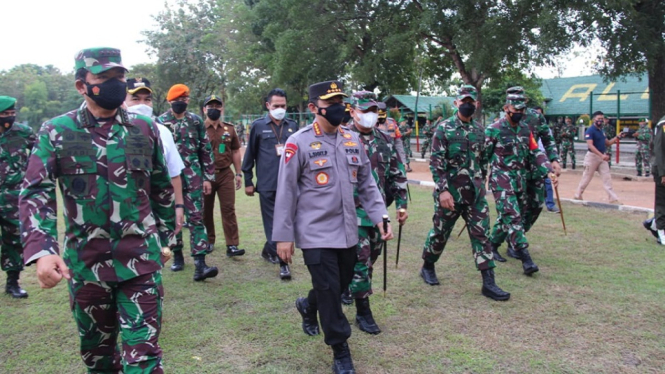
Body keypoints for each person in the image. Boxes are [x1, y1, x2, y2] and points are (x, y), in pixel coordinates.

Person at [20, 47, 174, 373]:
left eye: (119, 77)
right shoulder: (58, 131)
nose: (116, 84)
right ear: (82, 85)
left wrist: (166, 238)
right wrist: (42, 249)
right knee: (99, 361)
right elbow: (36, 190)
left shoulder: (144, 129)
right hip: (86, 267)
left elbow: (160, 186)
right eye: (103, 78)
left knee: (144, 359)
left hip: (141, 262)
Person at [272, 80, 393, 374]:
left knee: (336, 285)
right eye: (332, 103)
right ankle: (341, 350)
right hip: (315, 233)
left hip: (348, 231)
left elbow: (366, 182)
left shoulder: (352, 139)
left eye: (341, 101)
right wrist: (283, 236)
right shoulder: (297, 142)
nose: (339, 108)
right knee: (330, 291)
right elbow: (286, 191)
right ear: (315, 108)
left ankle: (307, 304)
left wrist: (380, 215)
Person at [420, 85, 509, 301]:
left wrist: (481, 183)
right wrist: (442, 191)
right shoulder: (444, 128)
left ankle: (489, 282)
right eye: (464, 101)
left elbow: (483, 160)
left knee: (482, 236)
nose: (468, 104)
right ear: (456, 103)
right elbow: (436, 162)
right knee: (440, 233)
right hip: (449, 194)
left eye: (471, 101)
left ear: (476, 104)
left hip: (475, 196)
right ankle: (428, 266)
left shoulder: (481, 131)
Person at [346, 91, 408, 333]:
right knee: (362, 262)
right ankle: (363, 312)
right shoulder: (342, 138)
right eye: (364, 110)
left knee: (371, 257)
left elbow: (396, 174)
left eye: (373, 110)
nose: (370, 116)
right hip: (350, 213)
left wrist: (402, 203)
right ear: (352, 111)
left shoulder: (385, 140)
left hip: (378, 212)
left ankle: (349, 286)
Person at [486, 92, 556, 275]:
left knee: (507, 217)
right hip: (501, 180)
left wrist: (548, 168)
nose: (519, 112)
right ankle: (525, 257)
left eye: (522, 109)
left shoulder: (526, 130)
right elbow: (481, 156)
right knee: (513, 215)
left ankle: (492, 245)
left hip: (520, 180)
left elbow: (536, 152)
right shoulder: (494, 129)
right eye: (515, 109)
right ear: (506, 109)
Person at [158, 84, 219, 280]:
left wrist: (208, 178)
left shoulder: (195, 121)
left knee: (196, 218)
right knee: (172, 218)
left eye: (184, 100)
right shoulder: (160, 122)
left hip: (193, 176)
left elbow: (205, 150)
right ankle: (177, 256)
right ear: (170, 102)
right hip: (168, 179)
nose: (181, 103)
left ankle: (200, 264)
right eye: (177, 100)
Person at [242, 88, 298, 280]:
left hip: (290, 184)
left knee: (289, 221)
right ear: (268, 106)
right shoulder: (258, 126)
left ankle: (269, 249)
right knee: (274, 224)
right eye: (276, 106)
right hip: (268, 184)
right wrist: (248, 180)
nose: (280, 109)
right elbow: (249, 155)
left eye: (283, 106)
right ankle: (283, 263)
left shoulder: (293, 125)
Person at [124, 78, 186, 232]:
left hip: (155, 208)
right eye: (135, 99)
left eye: (147, 100)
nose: (142, 104)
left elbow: (174, 173)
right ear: (122, 101)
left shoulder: (162, 131)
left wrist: (179, 206)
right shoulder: (113, 132)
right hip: (124, 209)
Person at [201, 95, 246, 258]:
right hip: (205, 175)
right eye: (210, 106)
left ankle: (232, 245)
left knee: (228, 209)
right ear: (204, 109)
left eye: (217, 106)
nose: (214, 109)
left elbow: (235, 151)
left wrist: (239, 173)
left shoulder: (230, 129)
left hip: (226, 174)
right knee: (206, 210)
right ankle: (208, 240)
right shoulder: (199, 128)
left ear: (222, 109)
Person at [0, 96, 35, 298]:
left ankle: (13, 282)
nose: (10, 118)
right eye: (5, 114)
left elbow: (42, 154)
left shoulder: (23, 133)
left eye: (12, 114)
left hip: (14, 198)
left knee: (14, 240)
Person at [574, 111, 621, 204]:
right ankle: (578, 194)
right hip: (592, 157)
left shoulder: (601, 130)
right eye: (598, 119)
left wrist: (617, 137)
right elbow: (590, 145)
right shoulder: (590, 131)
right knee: (587, 177)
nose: (600, 120)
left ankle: (613, 198)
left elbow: (607, 143)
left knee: (607, 177)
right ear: (594, 119)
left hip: (601, 157)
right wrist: (601, 155)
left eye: (602, 119)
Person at [645, 115, 665, 244]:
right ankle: (661, 232)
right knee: (662, 202)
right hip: (662, 170)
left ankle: (653, 223)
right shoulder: (664, 124)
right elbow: (659, 149)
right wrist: (663, 173)